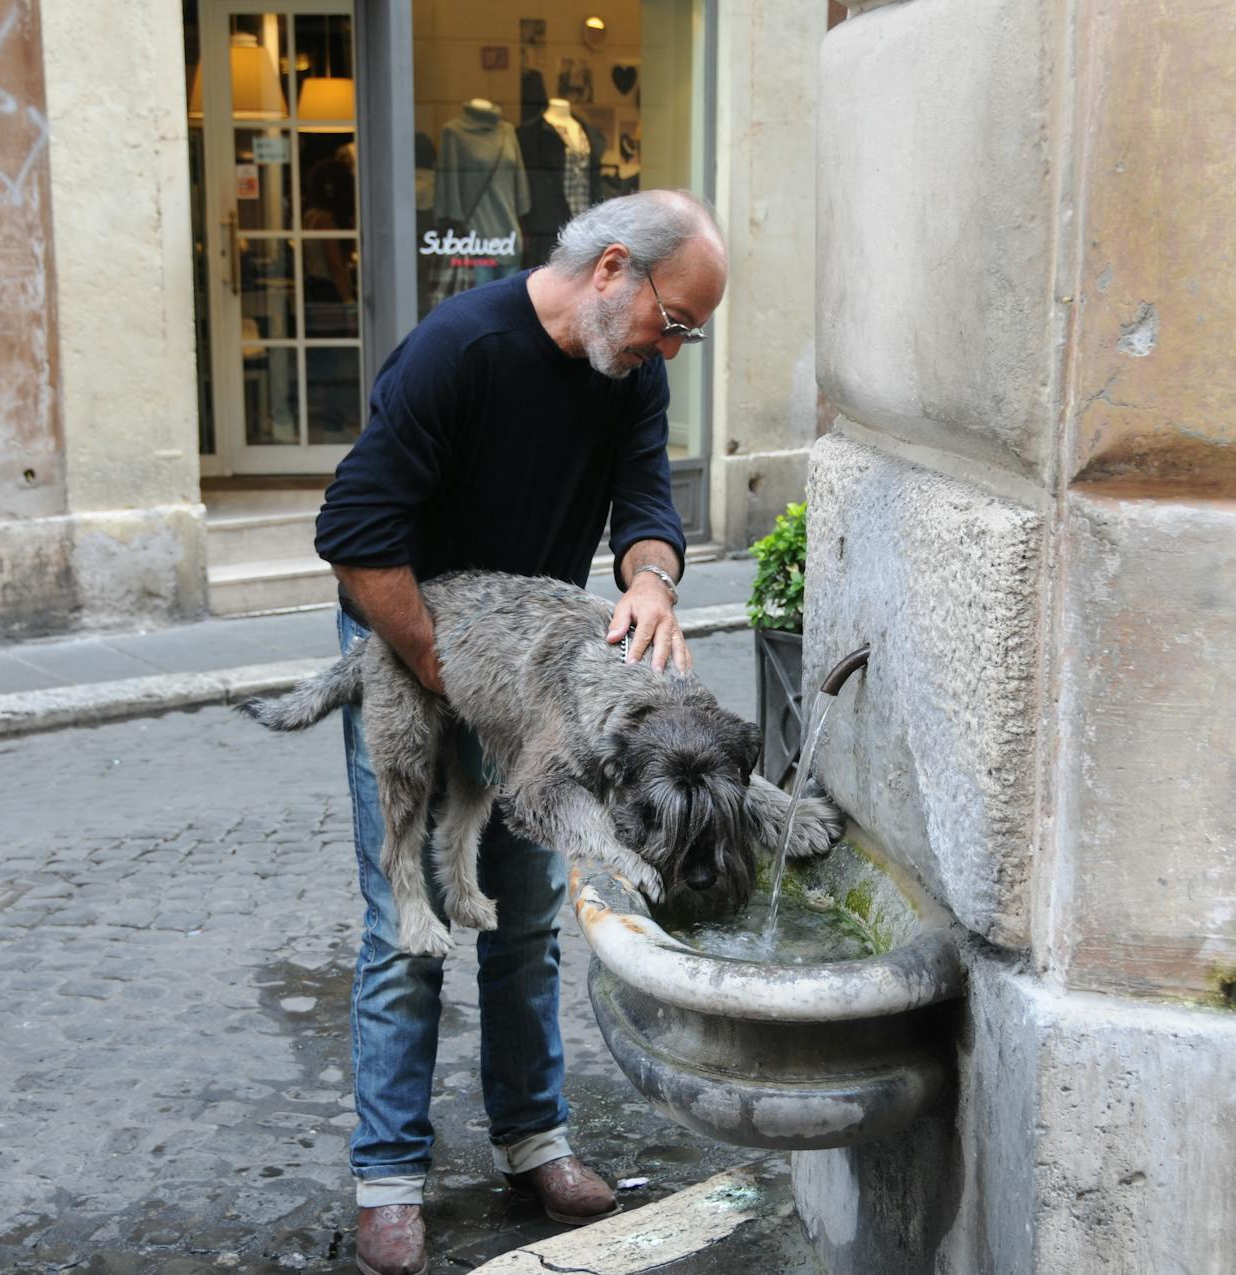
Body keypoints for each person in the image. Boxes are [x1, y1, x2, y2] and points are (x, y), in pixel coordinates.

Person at [311, 188, 727, 1275]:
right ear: (613, 271)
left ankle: (532, 1140)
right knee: (406, 924)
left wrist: (651, 584)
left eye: (688, 332)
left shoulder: (628, 373)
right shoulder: (456, 352)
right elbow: (356, 537)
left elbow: (647, 502)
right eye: (672, 320)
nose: (672, 345)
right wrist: (443, 677)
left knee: (527, 916)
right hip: (411, 641)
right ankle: (389, 1180)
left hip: (536, 662)